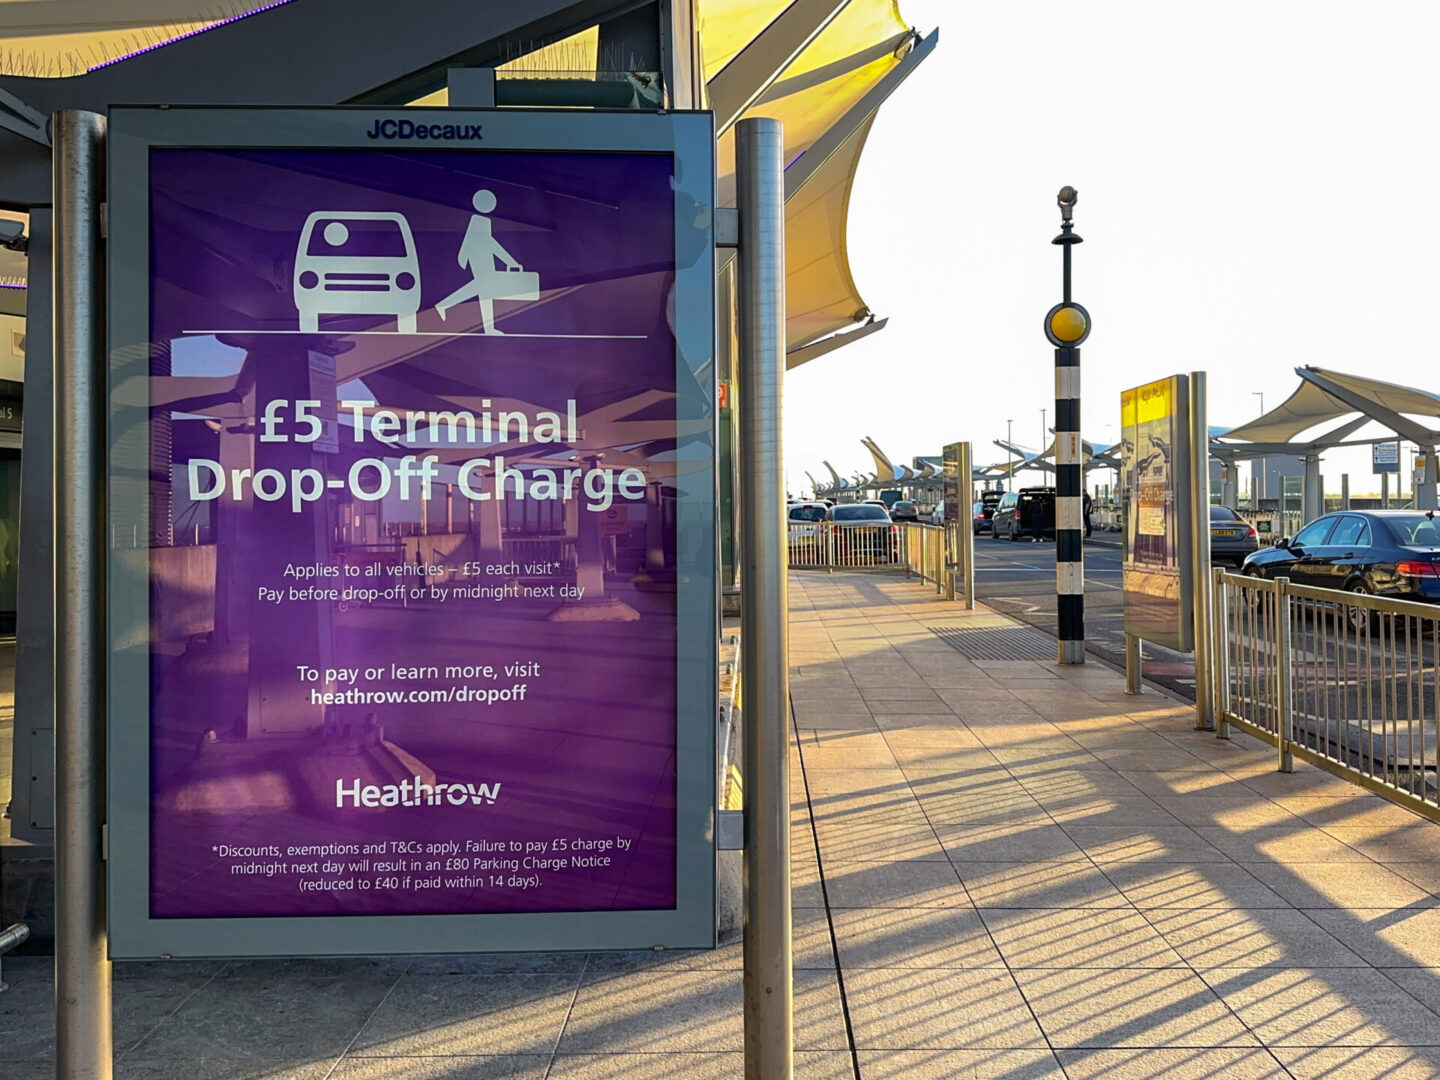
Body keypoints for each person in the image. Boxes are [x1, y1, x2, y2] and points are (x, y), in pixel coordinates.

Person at [434, 189, 524, 333]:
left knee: (481, 290)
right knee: (483, 291)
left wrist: (463, 257)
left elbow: (474, 240)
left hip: (480, 258)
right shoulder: (480, 220)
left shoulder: (479, 219)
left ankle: (445, 305)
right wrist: (509, 261)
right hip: (482, 259)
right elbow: (490, 243)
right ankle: (446, 305)